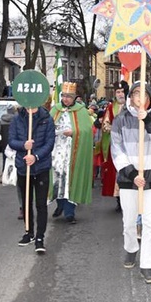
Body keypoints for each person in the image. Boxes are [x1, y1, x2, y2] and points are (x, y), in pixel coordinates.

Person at [111, 81, 151, 284]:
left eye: (144, 94)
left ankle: (147, 264)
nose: (139, 98)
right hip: (129, 178)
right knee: (129, 222)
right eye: (136, 94)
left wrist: (150, 122)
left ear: (149, 99)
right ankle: (131, 248)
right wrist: (132, 173)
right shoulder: (121, 120)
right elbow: (116, 150)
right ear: (131, 97)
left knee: (150, 223)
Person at [9, 104, 56, 253]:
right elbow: (11, 140)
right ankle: (29, 232)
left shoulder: (47, 119)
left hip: (41, 166)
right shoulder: (17, 119)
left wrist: (35, 156)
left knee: (41, 204)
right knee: (26, 202)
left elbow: (49, 143)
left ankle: (40, 237)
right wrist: (24, 145)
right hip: (23, 168)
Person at [50, 82, 94, 223]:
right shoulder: (55, 109)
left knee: (71, 179)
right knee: (58, 178)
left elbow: (87, 130)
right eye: (64, 96)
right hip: (57, 151)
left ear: (74, 97)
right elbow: (47, 127)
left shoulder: (81, 110)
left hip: (73, 151)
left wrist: (74, 132)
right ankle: (60, 205)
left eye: (69, 96)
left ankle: (69, 212)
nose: (66, 99)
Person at [101, 81, 129, 212]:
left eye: (122, 91)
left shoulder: (131, 106)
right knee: (116, 172)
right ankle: (119, 199)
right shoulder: (111, 107)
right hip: (116, 145)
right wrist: (113, 129)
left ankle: (128, 198)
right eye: (118, 92)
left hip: (130, 145)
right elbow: (105, 124)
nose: (120, 94)